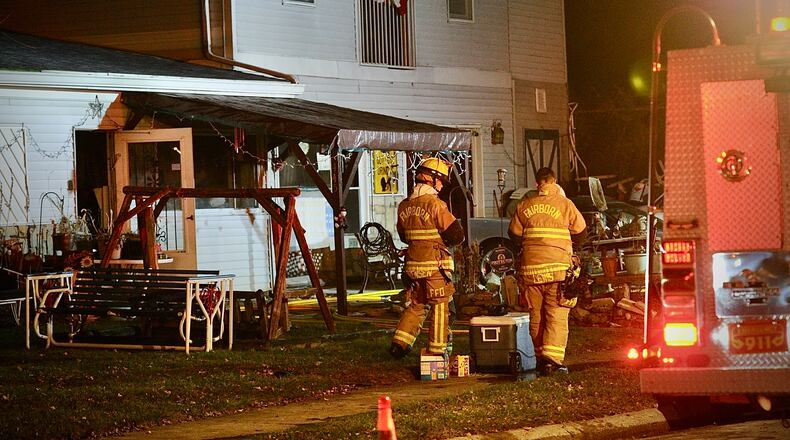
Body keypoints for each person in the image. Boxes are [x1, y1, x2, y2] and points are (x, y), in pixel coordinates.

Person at [508, 167, 586, 375]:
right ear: (554, 180)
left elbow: (514, 236)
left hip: (531, 270)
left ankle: (540, 357)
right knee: (556, 313)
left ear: (537, 184)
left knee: (536, 314)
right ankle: (553, 360)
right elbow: (581, 232)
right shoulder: (565, 204)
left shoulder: (524, 205)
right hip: (558, 270)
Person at [389, 157, 465, 358]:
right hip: (435, 267)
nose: (441, 186)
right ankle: (437, 351)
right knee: (440, 306)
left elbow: (404, 236)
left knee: (417, 304)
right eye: (440, 181)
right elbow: (456, 235)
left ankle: (400, 344)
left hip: (413, 266)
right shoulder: (436, 205)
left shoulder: (404, 206)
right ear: (432, 179)